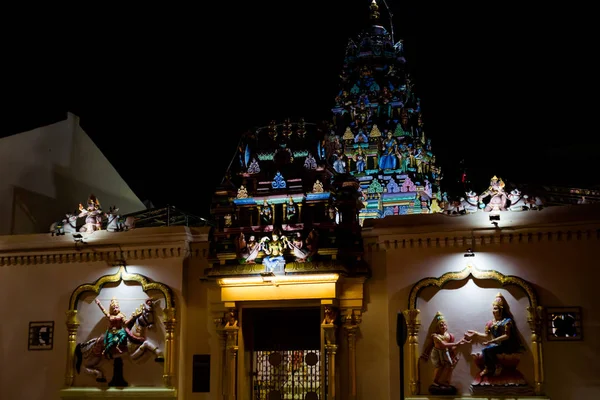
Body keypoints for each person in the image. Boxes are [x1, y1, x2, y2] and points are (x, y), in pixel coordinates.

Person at [464, 293, 524, 377]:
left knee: (489, 350)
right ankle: (488, 368)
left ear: (501, 310)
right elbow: (487, 335)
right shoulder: (490, 323)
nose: (493, 311)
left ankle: (498, 366)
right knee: (485, 350)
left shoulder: (507, 321)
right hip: (498, 345)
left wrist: (493, 340)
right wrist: (476, 334)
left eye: (495, 309)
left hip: (507, 345)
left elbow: (507, 336)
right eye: (493, 309)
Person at [421, 312, 465, 388]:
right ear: (437, 327)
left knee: (449, 365)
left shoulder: (449, 336)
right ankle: (435, 381)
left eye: (444, 325)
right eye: (441, 325)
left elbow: (449, 348)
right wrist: (456, 344)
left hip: (445, 352)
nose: (443, 326)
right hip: (437, 353)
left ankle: (445, 381)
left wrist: (459, 344)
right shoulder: (436, 336)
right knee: (439, 367)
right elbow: (444, 345)